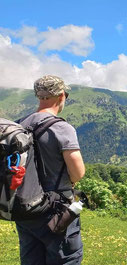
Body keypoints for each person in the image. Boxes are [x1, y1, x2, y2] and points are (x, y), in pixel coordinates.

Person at [15, 75, 86, 265]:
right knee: (66, 258)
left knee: (31, 259)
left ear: (38, 96)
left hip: (24, 207)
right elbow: (78, 173)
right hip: (56, 210)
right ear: (61, 96)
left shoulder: (19, 125)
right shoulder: (62, 128)